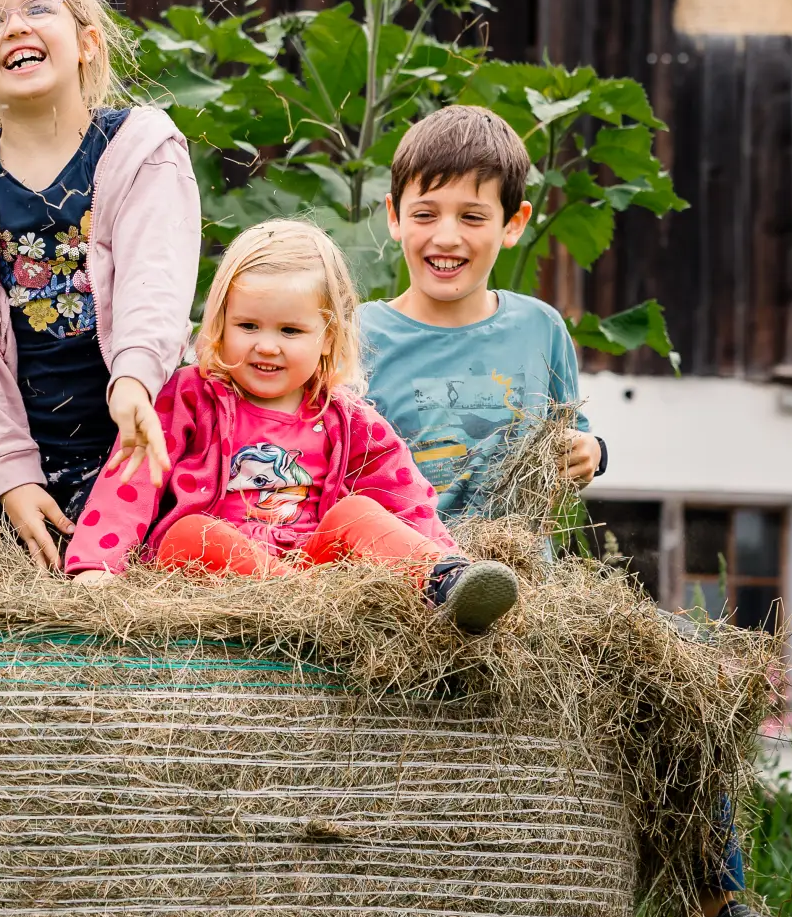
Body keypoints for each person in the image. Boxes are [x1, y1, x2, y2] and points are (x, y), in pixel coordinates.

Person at [360, 104, 792, 917]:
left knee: (686, 676)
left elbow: (568, 438)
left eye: (473, 217)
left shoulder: (537, 327)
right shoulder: (361, 333)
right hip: (409, 579)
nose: (446, 236)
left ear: (513, 224)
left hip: (527, 586)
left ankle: (717, 908)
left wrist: (594, 449)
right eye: (425, 213)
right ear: (392, 216)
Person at [63, 219, 521, 635]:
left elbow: (405, 499)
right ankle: (300, 605)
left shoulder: (346, 418)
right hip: (208, 571)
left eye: (290, 331)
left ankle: (447, 583)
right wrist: (96, 566)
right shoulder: (192, 395)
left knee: (356, 512)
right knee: (192, 530)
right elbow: (132, 478)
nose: (267, 346)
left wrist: (441, 555)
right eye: (247, 325)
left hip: (306, 569)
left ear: (327, 338)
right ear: (219, 324)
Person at [0, 0, 197, 569]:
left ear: (88, 40)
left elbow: (157, 283)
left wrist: (135, 380)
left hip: (136, 436)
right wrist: (9, 477)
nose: (15, 27)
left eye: (38, 10)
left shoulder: (139, 151)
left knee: (161, 583)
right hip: (18, 454)